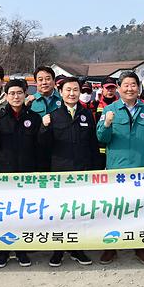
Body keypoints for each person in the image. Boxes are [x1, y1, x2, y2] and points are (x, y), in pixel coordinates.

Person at [96, 71, 144, 266]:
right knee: (114, 210)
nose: (130, 88)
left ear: (139, 88)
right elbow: (101, 138)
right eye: (126, 85)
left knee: (140, 210)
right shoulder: (110, 109)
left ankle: (140, 247)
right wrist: (106, 123)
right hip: (116, 171)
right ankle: (111, 247)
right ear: (118, 88)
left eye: (133, 85)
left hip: (142, 171)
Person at [38, 76, 99, 267]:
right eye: (68, 90)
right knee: (60, 213)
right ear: (61, 92)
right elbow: (44, 146)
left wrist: (95, 170)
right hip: (60, 173)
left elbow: (92, 145)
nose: (72, 93)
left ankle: (77, 248)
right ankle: (58, 251)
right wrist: (44, 127)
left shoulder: (87, 115)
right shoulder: (53, 116)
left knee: (79, 213)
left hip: (82, 171)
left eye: (75, 90)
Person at [0, 79, 43, 268]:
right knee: (5, 214)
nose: (16, 97)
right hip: (4, 173)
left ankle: (21, 251)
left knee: (23, 214)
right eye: (12, 93)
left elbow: (39, 146)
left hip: (27, 173)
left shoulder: (34, 118)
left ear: (25, 94)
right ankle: (3, 252)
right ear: (6, 95)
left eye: (19, 93)